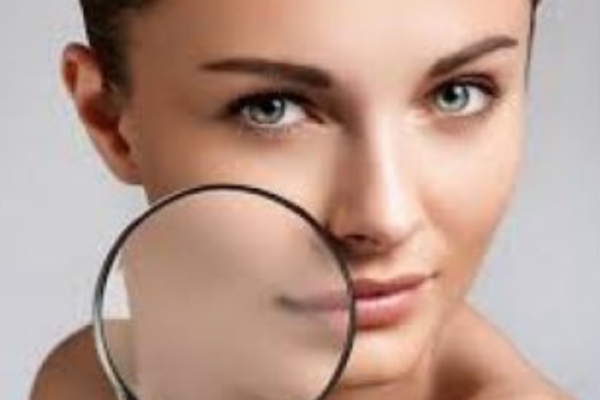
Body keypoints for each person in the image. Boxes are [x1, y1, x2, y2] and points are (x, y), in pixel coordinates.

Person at [30, 0, 573, 399]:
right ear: (111, 123)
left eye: (458, 94)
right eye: (271, 108)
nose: (385, 218)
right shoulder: (89, 380)